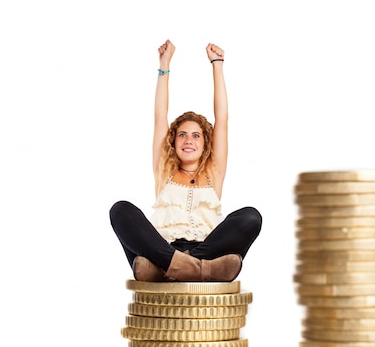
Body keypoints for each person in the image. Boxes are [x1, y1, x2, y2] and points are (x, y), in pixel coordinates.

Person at [109, 40, 262, 282]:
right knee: (120, 210)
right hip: (160, 248)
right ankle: (195, 270)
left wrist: (218, 66)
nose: (188, 140)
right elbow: (160, 116)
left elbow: (222, 119)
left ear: (205, 143)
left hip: (207, 249)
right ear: (173, 141)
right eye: (182, 134)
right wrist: (164, 65)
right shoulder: (165, 169)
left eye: (195, 135)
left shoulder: (214, 172)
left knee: (251, 217)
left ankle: (166, 270)